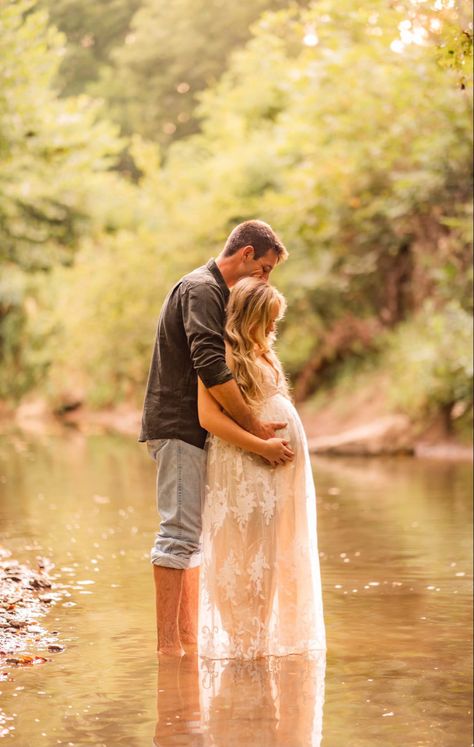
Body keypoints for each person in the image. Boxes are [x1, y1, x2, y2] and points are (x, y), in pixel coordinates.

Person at [139, 220, 290, 656]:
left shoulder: (214, 292)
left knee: (192, 538)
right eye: (263, 269)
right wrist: (253, 430)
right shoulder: (202, 289)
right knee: (177, 535)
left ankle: (186, 643)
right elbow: (210, 364)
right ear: (245, 254)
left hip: (191, 431)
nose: (264, 279)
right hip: (180, 426)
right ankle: (169, 648)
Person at [197, 278, 326, 659]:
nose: (273, 328)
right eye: (268, 320)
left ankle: (262, 643)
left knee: (272, 550)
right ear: (248, 316)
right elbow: (208, 417)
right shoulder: (220, 353)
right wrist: (261, 446)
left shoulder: (263, 352)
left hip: (275, 469)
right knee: (240, 548)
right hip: (243, 463)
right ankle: (242, 643)